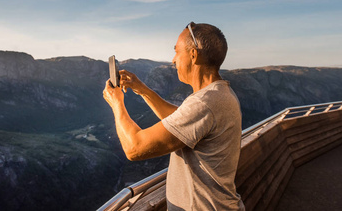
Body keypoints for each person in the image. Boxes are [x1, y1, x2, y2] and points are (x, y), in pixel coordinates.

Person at [103, 22, 245, 210]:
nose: (173, 60)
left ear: (193, 55)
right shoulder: (220, 94)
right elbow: (180, 120)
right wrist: (142, 90)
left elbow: (134, 148)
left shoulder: (204, 103)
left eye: (177, 51)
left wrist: (116, 103)